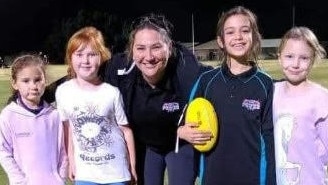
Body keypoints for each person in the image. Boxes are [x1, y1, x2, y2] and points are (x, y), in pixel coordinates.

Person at [104, 13, 212, 185]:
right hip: (145, 143)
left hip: (179, 143)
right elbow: (84, 74)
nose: (148, 56)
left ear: (169, 47)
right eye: (140, 48)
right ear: (132, 50)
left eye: (156, 47)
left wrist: (270, 87)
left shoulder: (186, 69)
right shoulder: (120, 69)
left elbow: (223, 80)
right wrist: (45, 92)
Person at [188, 6, 276, 184]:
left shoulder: (265, 84)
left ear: (254, 37)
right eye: (230, 32)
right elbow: (187, 123)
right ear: (220, 41)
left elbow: (270, 140)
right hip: (213, 176)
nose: (238, 37)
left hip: (252, 177)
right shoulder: (206, 82)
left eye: (245, 31)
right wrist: (183, 131)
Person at [55, 26, 137, 185]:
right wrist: (71, 161)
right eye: (79, 54)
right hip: (85, 173)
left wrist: (132, 165)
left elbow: (126, 131)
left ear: (101, 58)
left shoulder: (111, 92)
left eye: (92, 55)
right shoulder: (63, 92)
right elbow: (68, 130)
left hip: (116, 173)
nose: (85, 61)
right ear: (70, 58)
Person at [0, 54, 68, 185]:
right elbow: (3, 151)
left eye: (38, 80)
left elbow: (63, 150)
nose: (33, 86)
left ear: (45, 80)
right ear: (15, 83)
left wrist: (61, 176)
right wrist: (19, 181)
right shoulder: (8, 116)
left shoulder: (54, 115)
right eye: (26, 81)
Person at [273, 26, 328, 185]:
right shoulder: (272, 93)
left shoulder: (321, 98)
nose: (295, 64)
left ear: (313, 60)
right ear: (279, 57)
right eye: (289, 56)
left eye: (304, 58)